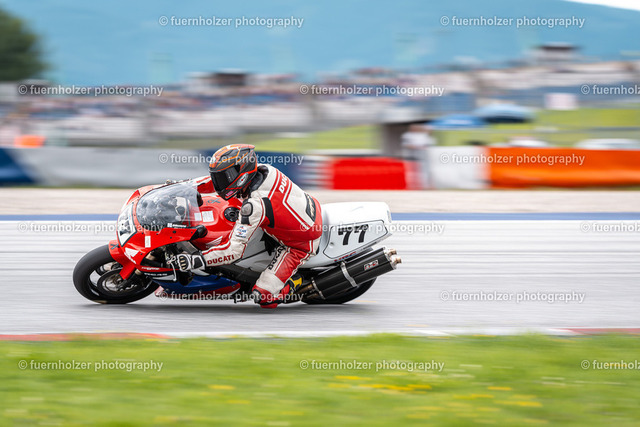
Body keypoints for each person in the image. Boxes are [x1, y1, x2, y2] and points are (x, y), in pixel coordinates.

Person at [169, 144, 322, 308]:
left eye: (224, 177)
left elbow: (233, 251)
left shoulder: (255, 204)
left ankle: (295, 281)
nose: (218, 182)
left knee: (263, 297)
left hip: (300, 243)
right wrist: (183, 187)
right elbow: (214, 183)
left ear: (241, 173)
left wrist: (198, 260)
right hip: (306, 209)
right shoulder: (263, 170)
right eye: (217, 176)